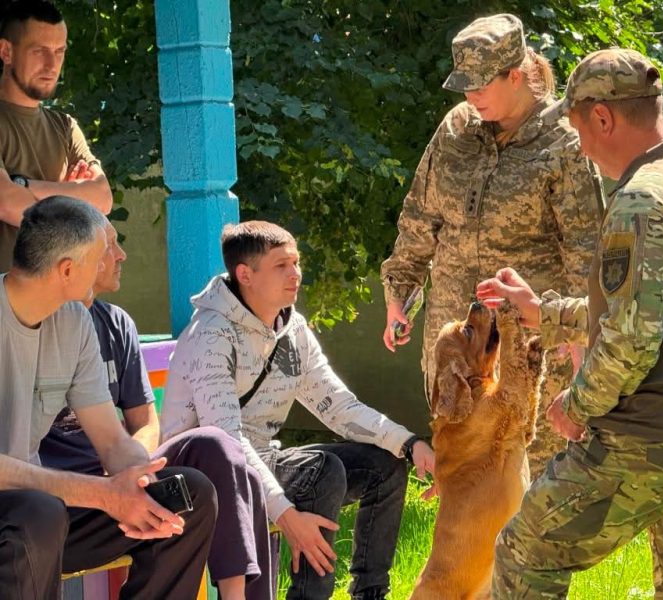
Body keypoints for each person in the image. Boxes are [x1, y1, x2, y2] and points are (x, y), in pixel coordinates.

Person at [476, 48, 663, 599]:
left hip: (651, 438)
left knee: (524, 553)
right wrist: (545, 314)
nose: (582, 148)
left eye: (580, 129)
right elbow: (656, 310)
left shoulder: (641, 200)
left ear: (603, 118)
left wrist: (575, 406)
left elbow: (631, 340)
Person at [161, 220, 436, 600]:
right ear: (245, 274)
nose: (296, 274)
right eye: (281, 265)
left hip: (261, 462)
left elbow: (338, 406)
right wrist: (287, 517)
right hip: (207, 476)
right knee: (321, 472)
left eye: (296, 262)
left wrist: (408, 443)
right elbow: (227, 443)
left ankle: (370, 594)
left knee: (384, 466)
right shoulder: (211, 334)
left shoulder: (293, 331)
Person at [380, 13, 603, 476]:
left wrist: (581, 345)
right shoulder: (456, 128)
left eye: (481, 85)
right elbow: (421, 216)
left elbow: (587, 251)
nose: (470, 96)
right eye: (464, 85)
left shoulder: (563, 142)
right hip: (456, 352)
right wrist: (399, 292)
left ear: (516, 76)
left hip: (528, 353)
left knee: (530, 488)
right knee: (461, 480)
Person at [39, 218, 273, 600]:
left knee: (216, 447)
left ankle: (237, 596)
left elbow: (145, 421)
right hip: (60, 502)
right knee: (193, 493)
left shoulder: (115, 323)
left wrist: (129, 471)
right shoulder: (29, 328)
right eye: (110, 245)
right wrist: (105, 488)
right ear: (77, 260)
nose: (121, 255)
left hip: (121, 477)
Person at [0, 196, 217, 599]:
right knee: (39, 513)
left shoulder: (76, 322)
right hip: (23, 518)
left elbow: (112, 440)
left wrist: (139, 486)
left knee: (190, 495)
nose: (112, 262)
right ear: (67, 270)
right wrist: (105, 495)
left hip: (41, 515)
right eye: (100, 256)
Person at [0, 0, 112, 272]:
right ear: (6, 51)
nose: (52, 65)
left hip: (61, 302)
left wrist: (23, 184)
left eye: (59, 52)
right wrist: (74, 199)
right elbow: (7, 203)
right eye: (39, 51)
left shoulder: (65, 127)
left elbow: (103, 197)